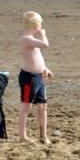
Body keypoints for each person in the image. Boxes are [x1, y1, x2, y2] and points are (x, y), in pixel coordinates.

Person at [18, 11, 54, 145]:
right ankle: (22, 136)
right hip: (29, 78)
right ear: (36, 25)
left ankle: (43, 135)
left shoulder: (32, 41)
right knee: (26, 106)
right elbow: (45, 45)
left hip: (39, 76)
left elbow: (37, 57)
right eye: (40, 25)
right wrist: (43, 34)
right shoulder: (26, 39)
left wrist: (45, 68)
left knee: (43, 106)